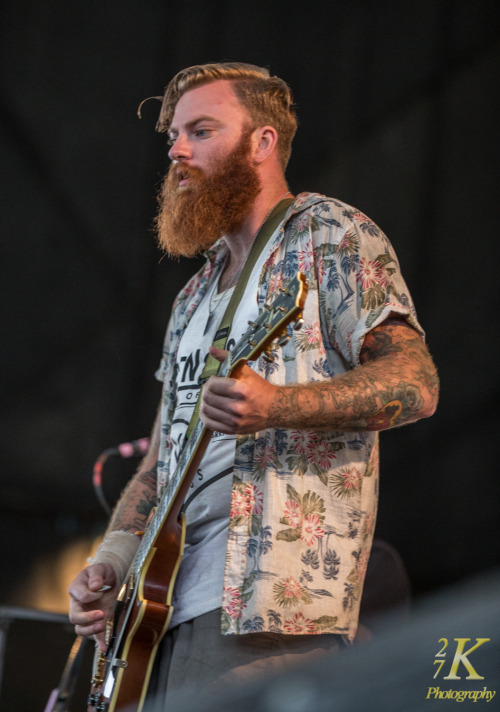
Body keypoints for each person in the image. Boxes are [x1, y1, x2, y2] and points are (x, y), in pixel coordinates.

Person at [68, 62, 439, 708]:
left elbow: (417, 381)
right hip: (158, 616)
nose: (178, 150)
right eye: (173, 137)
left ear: (262, 142)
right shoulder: (191, 298)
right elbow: (160, 466)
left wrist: (277, 405)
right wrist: (113, 561)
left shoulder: (329, 235)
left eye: (201, 130)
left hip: (265, 613)